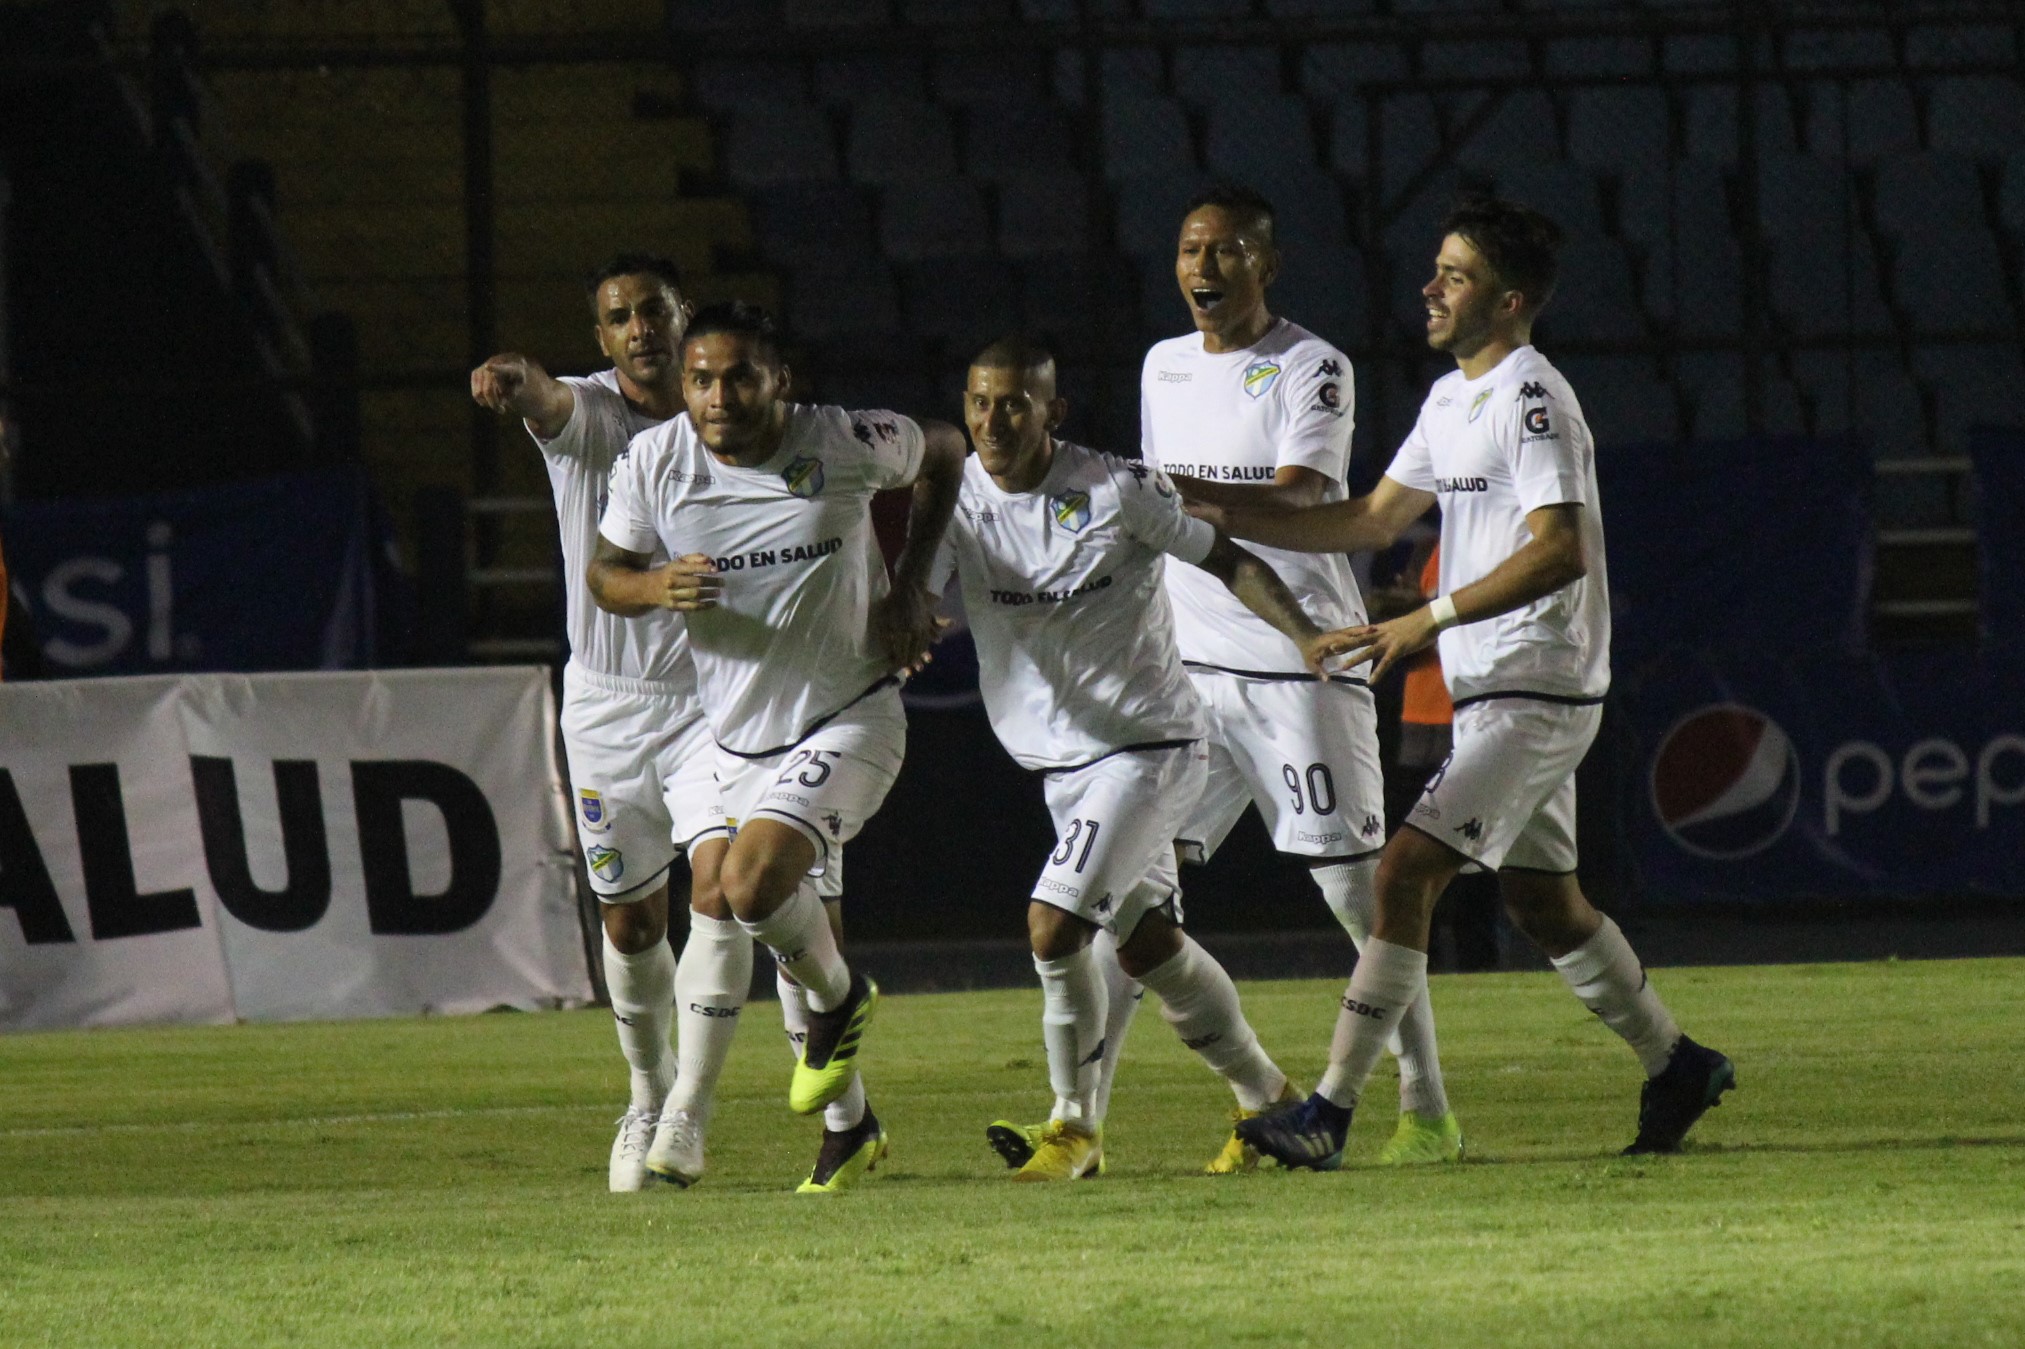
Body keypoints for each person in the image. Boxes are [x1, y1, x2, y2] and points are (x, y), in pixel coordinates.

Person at [1208, 196, 1734, 1168]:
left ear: (1509, 301)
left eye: (1455, 275)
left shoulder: (1533, 396)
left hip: (1538, 683)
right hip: (1497, 686)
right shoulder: (1452, 399)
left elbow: (1562, 549)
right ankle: (1678, 1061)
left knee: (1403, 871)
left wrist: (1429, 615)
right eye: (1438, 270)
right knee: (1544, 903)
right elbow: (1369, 518)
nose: (1431, 287)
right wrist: (1218, 512)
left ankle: (1328, 1110)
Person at [1099, 184, 1461, 1169]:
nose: (1202, 267)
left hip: (1301, 662)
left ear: (1266, 263)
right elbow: (1162, 526)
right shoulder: (1163, 364)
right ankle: (1091, 1119)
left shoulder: (1313, 366)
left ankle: (1426, 1106)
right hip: (1184, 675)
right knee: (1124, 892)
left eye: (1224, 250)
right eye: (1189, 249)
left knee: (1358, 899)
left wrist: (1167, 492)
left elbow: (1301, 496)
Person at [590, 301, 966, 1192]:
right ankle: (849, 1122)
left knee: (748, 886)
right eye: (700, 380)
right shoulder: (655, 461)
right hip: (734, 738)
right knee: (760, 918)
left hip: (850, 714)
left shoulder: (842, 440)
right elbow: (605, 575)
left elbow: (947, 449)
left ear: (780, 382)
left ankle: (835, 1007)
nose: (718, 397)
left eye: (739, 378)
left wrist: (910, 583)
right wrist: (655, 584)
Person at [941, 336, 1325, 1181]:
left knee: (1053, 925)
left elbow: (1226, 558)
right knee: (1146, 945)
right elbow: (912, 597)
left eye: (1013, 403)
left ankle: (1072, 1125)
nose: (992, 421)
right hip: (1060, 765)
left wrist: (1304, 635)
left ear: (1052, 411)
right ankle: (1269, 1098)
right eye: (978, 402)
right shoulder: (957, 497)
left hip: (1150, 747)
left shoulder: (1118, 489)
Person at [470, 253, 745, 1194]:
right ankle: (646, 1089)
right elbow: (542, 396)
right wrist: (512, 376)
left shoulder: (729, 416)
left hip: (711, 702)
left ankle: (689, 1112)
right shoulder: (589, 416)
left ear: (682, 315)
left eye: (653, 310)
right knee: (630, 924)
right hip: (606, 704)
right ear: (601, 338)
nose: (640, 329)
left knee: (724, 887)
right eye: (620, 317)